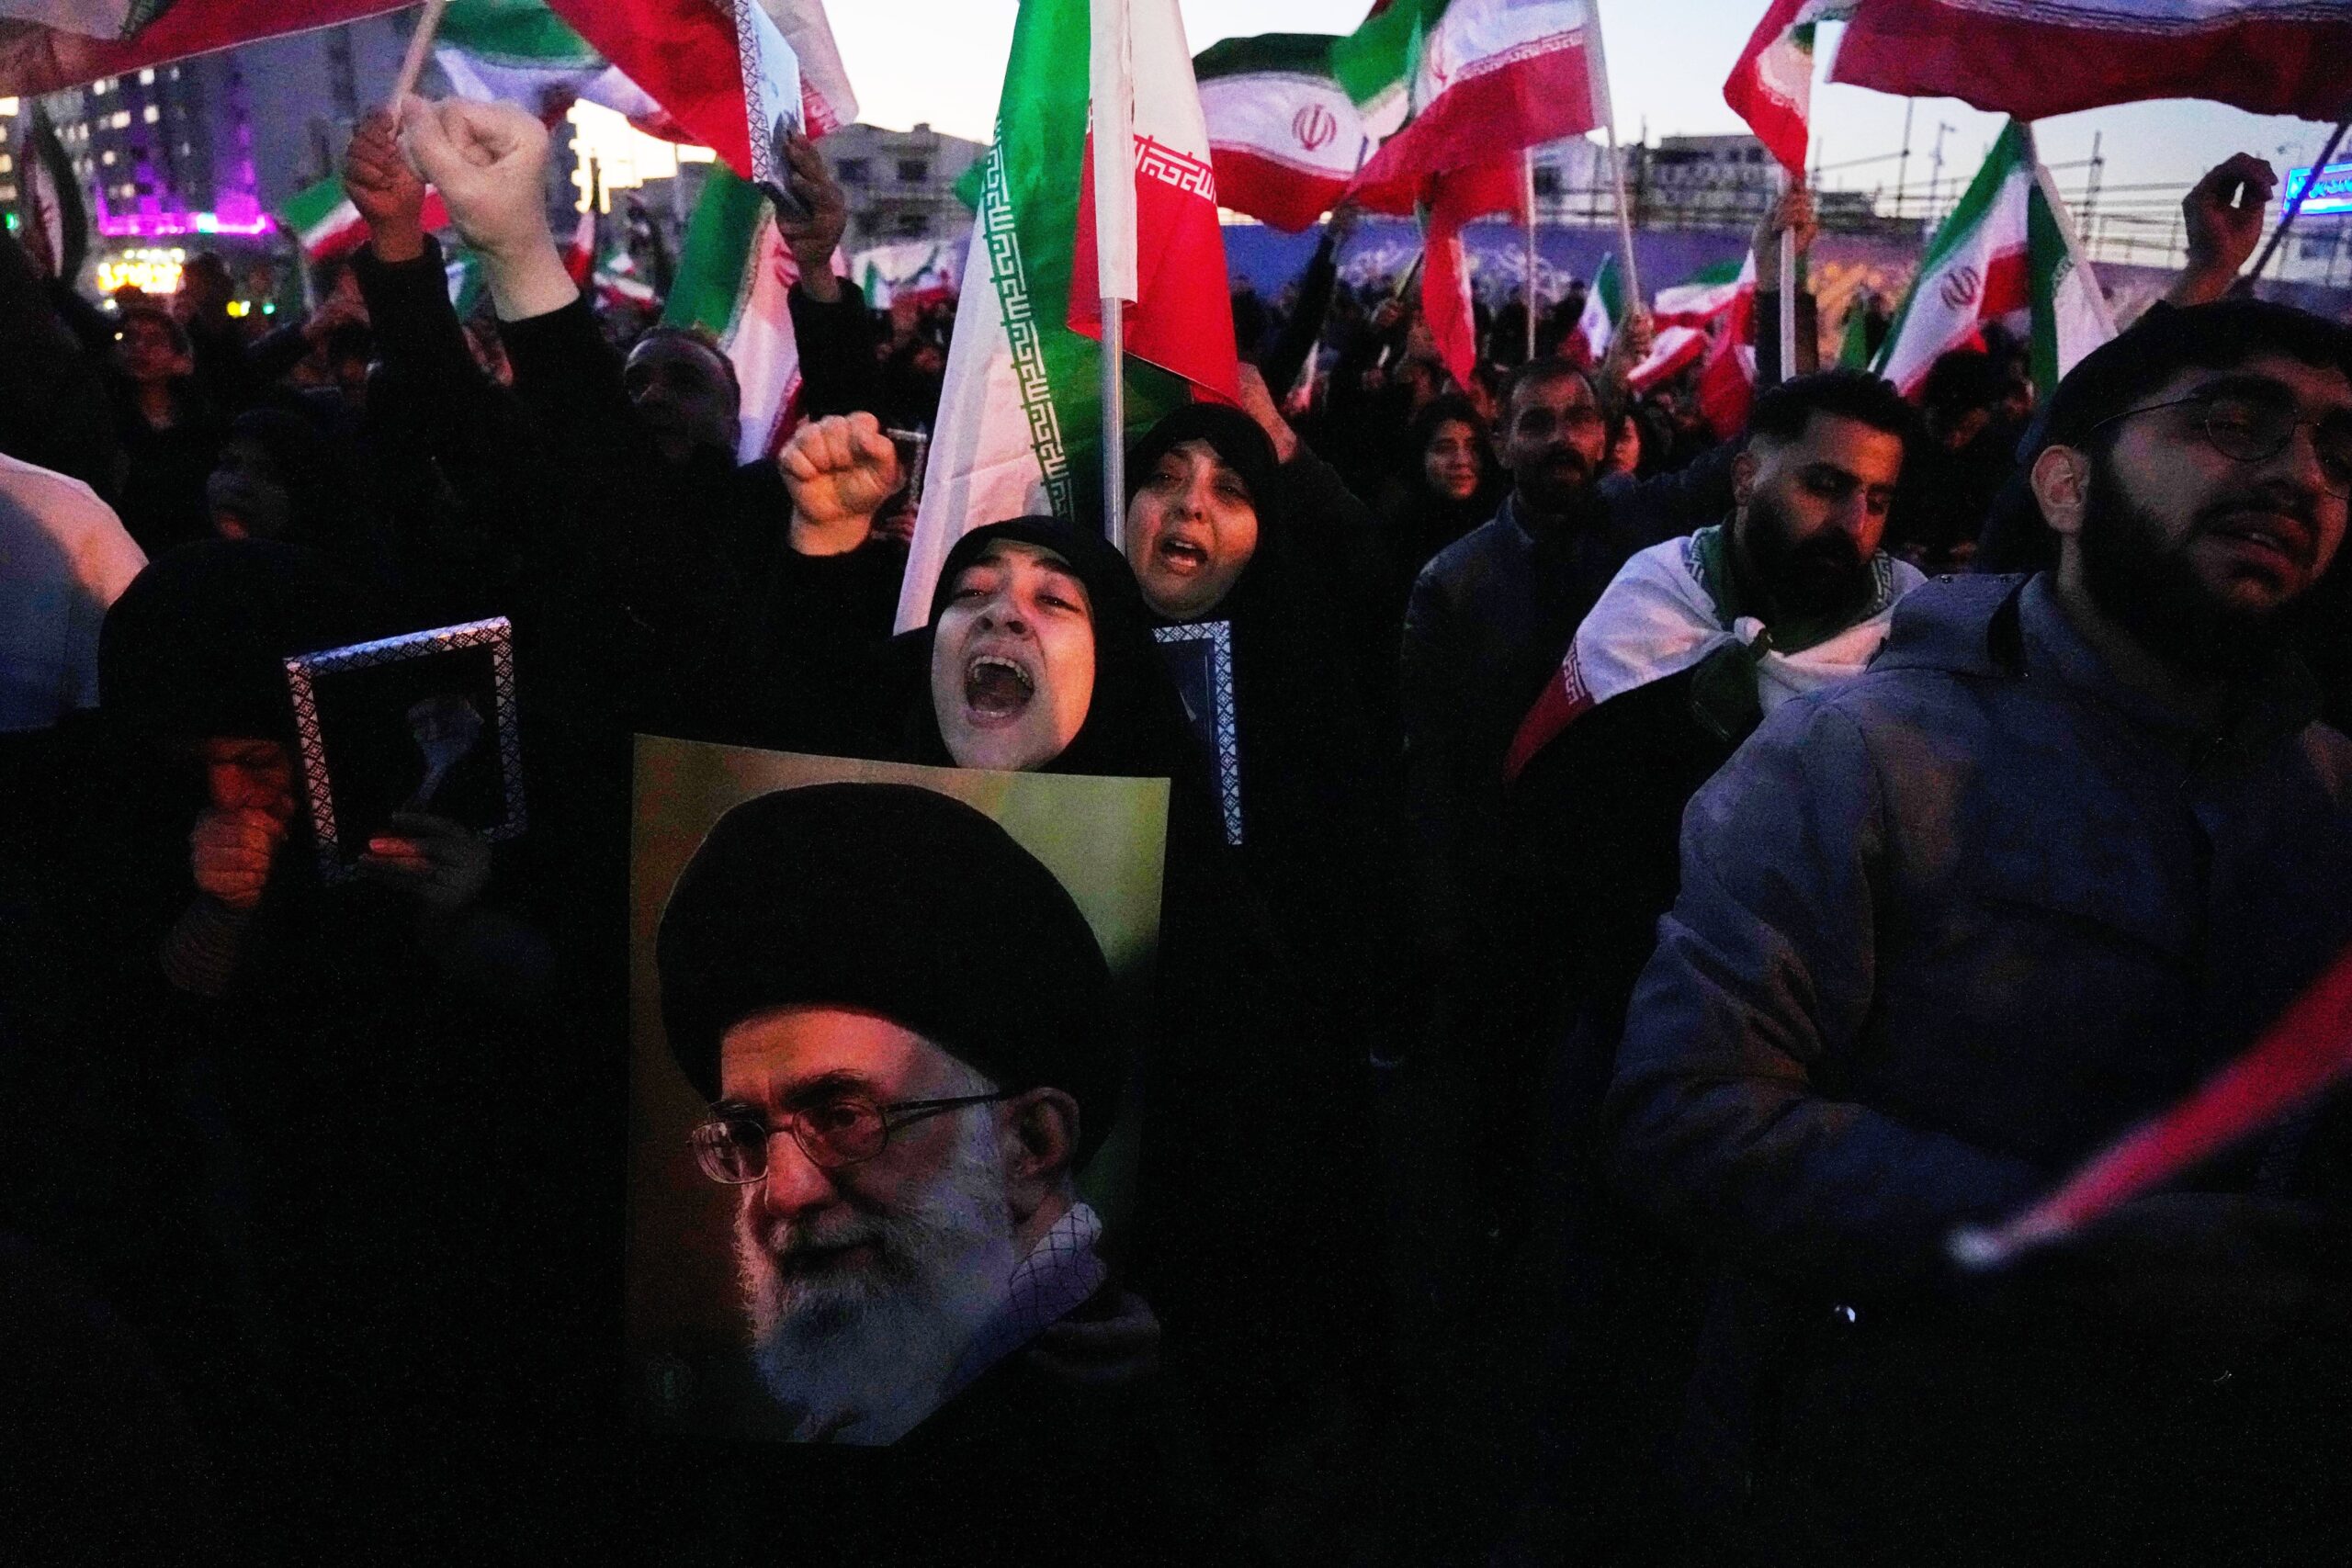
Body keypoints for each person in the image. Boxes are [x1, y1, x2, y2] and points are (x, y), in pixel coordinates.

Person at [1604, 298, 2352, 1562]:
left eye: (2339, 449)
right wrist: (2071, 1237)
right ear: (2065, 485)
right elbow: (1684, 1113)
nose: (2301, 476)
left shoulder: (2329, 790)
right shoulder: (1854, 755)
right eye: (2237, 422)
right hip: (1896, 1470)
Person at [1493, 370, 1923, 1558]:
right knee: (1604, 1334)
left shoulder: (1916, 642)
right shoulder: (1653, 601)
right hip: (1633, 1030)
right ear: (1747, 475)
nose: (1851, 523)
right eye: (1825, 484)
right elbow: (1557, 814)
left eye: (1878, 500)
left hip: (1822, 1064)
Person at [650, 782, 1183, 1561]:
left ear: (1031, 1142)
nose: (784, 1191)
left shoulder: (1097, 1444)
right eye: (747, 1134)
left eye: (844, 1116)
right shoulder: (899, 1398)